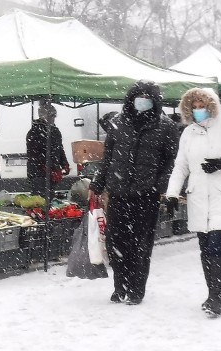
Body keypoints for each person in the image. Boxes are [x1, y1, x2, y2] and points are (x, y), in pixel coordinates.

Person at [88, 80, 179, 305]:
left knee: (141, 244)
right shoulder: (118, 123)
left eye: (147, 97)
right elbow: (107, 158)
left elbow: (171, 161)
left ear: (154, 101)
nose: (142, 101)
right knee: (116, 242)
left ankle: (137, 289)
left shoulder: (165, 126)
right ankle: (120, 286)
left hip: (146, 195)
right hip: (119, 193)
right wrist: (97, 184)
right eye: (139, 96)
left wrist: (161, 186)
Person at [165, 88, 221, 318]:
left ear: (212, 104)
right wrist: (172, 193)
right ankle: (211, 292)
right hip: (197, 197)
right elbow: (180, 166)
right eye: (193, 106)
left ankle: (216, 297)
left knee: (216, 243)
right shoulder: (188, 133)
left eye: (202, 104)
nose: (198, 109)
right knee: (204, 246)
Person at [26, 102, 70, 199]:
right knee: (40, 201)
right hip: (38, 175)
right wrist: (47, 168)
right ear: (44, 116)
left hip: (50, 174)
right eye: (52, 116)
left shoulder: (54, 131)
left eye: (54, 116)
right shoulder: (35, 131)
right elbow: (34, 154)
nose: (54, 118)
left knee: (49, 199)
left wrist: (64, 163)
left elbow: (59, 149)